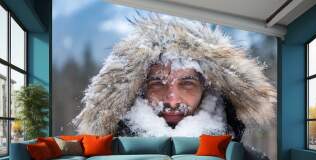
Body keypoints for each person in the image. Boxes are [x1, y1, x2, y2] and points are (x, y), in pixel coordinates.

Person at [73, 15, 276, 143]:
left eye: (187, 83)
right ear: (136, 90)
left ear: (209, 89)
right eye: (157, 82)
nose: (171, 100)